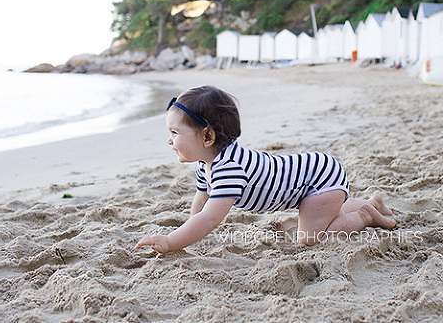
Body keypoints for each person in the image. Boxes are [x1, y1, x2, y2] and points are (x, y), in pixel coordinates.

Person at [135, 85, 396, 253]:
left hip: (319, 178)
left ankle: (366, 216)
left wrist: (171, 242)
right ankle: (373, 202)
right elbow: (200, 205)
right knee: (324, 213)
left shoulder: (229, 168)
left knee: (309, 237)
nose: (169, 140)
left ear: (207, 138)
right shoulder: (206, 164)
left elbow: (210, 218)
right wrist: (186, 234)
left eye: (174, 133)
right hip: (309, 180)